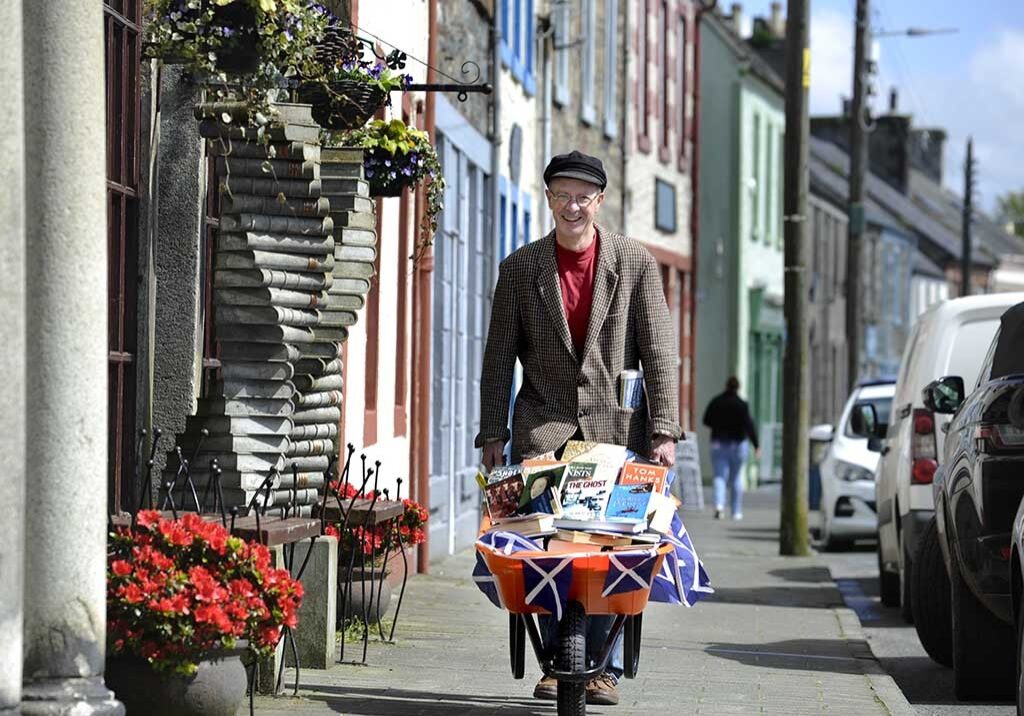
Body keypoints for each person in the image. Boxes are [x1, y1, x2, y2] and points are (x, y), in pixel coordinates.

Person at [475, 150, 682, 706]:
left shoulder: (634, 264)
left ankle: (603, 663)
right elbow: (498, 359)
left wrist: (663, 430)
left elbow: (660, 353)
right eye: (561, 195)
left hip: (619, 430)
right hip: (544, 426)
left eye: (582, 196)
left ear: (600, 201)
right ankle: (557, 659)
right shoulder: (520, 269)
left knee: (614, 547)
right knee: (543, 547)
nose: (572, 206)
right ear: (548, 199)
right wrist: (493, 434)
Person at [702, 376, 759, 520]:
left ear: (726, 386)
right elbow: (749, 426)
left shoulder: (716, 402)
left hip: (718, 443)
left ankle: (719, 506)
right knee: (736, 478)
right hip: (738, 444)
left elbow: (706, 420)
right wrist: (756, 445)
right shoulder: (742, 404)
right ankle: (736, 511)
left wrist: (719, 425)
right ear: (738, 388)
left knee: (719, 476)